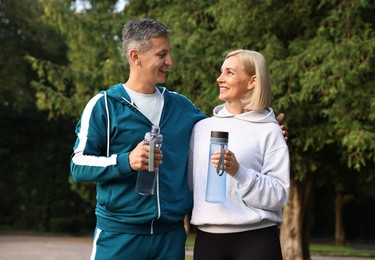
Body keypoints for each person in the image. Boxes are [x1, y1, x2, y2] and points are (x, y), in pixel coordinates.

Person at [70, 18, 288, 260]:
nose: (169, 62)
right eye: (162, 55)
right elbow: (78, 166)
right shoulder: (104, 106)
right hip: (120, 235)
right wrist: (126, 161)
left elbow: (227, 127)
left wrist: (265, 128)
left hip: (170, 238)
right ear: (135, 56)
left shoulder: (182, 107)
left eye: (169, 53)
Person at [188, 49, 290, 260]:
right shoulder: (201, 128)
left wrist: (239, 172)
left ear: (253, 81)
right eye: (221, 71)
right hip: (207, 240)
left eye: (230, 72)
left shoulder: (270, 130)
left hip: (257, 240)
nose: (220, 78)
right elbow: (190, 184)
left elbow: (279, 195)